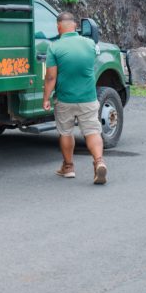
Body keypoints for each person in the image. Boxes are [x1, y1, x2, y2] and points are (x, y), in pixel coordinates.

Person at [42, 10, 107, 185]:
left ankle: (69, 167)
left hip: (65, 99)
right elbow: (92, 60)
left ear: (58, 27)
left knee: (66, 132)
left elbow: (50, 77)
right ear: (75, 26)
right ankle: (99, 162)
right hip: (88, 97)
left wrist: (46, 98)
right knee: (92, 131)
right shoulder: (89, 44)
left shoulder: (54, 47)